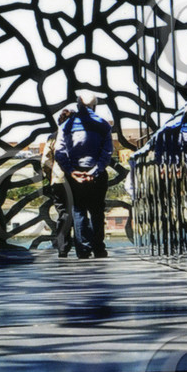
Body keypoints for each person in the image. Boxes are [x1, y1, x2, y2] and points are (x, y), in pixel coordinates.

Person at [54, 93, 114, 259]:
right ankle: (99, 249)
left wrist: (72, 172)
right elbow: (107, 152)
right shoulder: (103, 125)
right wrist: (94, 171)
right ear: (95, 106)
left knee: (78, 211)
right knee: (97, 211)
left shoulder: (66, 125)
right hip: (96, 174)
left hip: (74, 174)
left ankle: (83, 250)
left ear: (78, 105)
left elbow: (59, 152)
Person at [39, 125, 73, 257]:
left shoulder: (53, 137)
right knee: (79, 211)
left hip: (59, 180)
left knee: (63, 213)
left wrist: (50, 176)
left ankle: (62, 248)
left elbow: (46, 161)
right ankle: (84, 247)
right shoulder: (78, 135)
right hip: (77, 179)